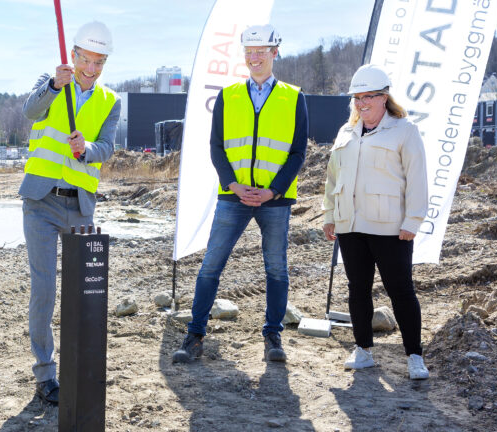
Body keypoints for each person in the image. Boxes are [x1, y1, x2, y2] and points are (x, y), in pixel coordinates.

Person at [173, 25, 308, 364]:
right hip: (233, 196)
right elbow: (216, 147)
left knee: (276, 268)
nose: (255, 56)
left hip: (274, 200)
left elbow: (297, 152)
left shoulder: (293, 97)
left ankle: (273, 335)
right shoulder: (229, 95)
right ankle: (195, 335)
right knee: (210, 267)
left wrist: (272, 191)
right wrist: (233, 184)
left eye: (262, 49)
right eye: (250, 50)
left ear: (275, 52)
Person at [19, 20, 121, 404]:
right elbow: (31, 112)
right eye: (85, 60)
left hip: (79, 205)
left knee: (82, 293)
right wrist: (54, 86)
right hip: (41, 202)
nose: (91, 69)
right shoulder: (51, 82)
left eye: (99, 62)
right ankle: (45, 376)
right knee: (44, 289)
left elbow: (107, 147)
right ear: (73, 55)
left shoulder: (111, 101)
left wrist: (88, 149)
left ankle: (78, 367)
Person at [322, 64, 429, 380]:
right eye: (358, 97)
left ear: (384, 97)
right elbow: (332, 179)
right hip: (350, 226)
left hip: (390, 228)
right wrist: (330, 216)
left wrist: (413, 220)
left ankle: (414, 356)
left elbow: (417, 179)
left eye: (369, 96)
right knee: (358, 289)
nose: (362, 103)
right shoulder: (346, 133)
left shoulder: (404, 130)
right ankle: (363, 350)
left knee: (400, 290)